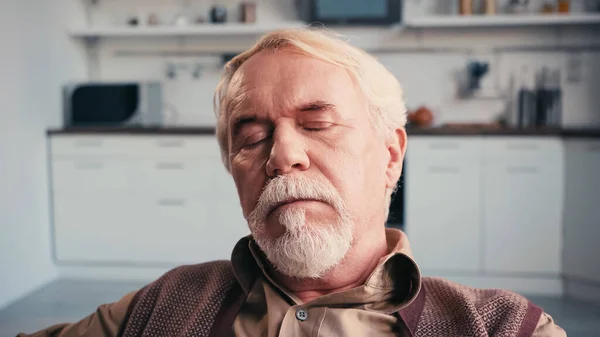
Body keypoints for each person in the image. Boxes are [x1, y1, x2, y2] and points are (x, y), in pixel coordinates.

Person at [19, 28, 566, 337]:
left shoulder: (503, 329)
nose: (282, 155)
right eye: (251, 137)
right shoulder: (160, 308)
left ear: (391, 155)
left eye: (317, 124)